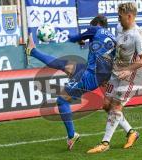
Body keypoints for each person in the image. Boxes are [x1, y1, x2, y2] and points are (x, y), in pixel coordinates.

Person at [25, 15, 116, 150]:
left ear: (96, 24)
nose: (89, 29)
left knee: (62, 101)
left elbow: (74, 38)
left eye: (90, 27)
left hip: (90, 75)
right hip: (97, 73)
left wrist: (65, 34)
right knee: (64, 64)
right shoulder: (113, 38)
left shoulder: (96, 29)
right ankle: (32, 51)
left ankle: (71, 135)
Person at [87, 2, 142, 154]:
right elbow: (117, 47)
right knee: (106, 106)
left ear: (129, 16)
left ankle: (105, 142)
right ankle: (131, 132)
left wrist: (128, 70)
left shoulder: (138, 35)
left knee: (116, 107)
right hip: (116, 72)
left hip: (131, 76)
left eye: (120, 16)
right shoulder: (119, 27)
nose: (118, 19)